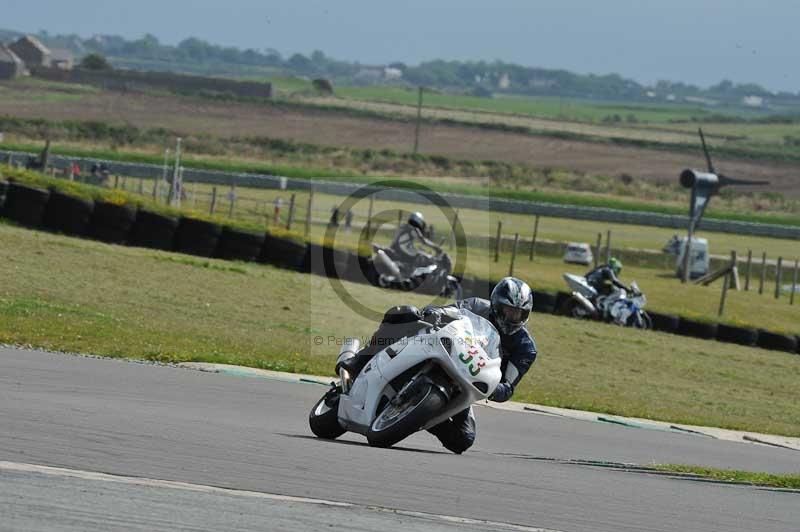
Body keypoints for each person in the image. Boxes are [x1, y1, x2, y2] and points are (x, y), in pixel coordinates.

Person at [337, 277, 537, 454]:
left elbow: (508, 387)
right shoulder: (476, 305)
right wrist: (434, 312)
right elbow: (450, 311)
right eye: (508, 310)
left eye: (519, 313)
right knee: (405, 313)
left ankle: (417, 416)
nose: (512, 317)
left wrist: (494, 389)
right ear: (496, 305)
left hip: (465, 380)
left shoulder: (525, 349)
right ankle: (359, 359)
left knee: (463, 439)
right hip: (443, 351)